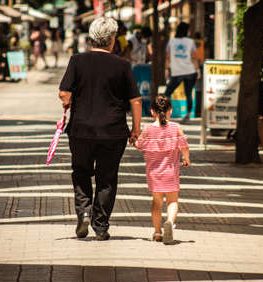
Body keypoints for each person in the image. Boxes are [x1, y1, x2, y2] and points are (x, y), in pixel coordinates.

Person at [58, 17, 142, 241]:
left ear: (91, 38)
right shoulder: (122, 65)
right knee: (107, 178)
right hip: (113, 131)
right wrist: (136, 129)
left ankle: (83, 211)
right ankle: (101, 225)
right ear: (112, 41)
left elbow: (64, 93)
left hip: (81, 130)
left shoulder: (77, 60)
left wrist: (69, 102)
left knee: (81, 172)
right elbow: (135, 100)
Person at [135, 95, 190, 244]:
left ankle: (157, 232)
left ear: (152, 111)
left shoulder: (148, 129)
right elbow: (184, 145)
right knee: (172, 201)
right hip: (171, 172)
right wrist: (186, 158)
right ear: (170, 110)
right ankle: (170, 223)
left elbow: (139, 145)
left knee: (156, 202)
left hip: (154, 174)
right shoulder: (176, 127)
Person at [164, 22, 200, 122]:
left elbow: (167, 57)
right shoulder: (190, 42)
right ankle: (188, 115)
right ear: (186, 31)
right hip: (190, 71)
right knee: (188, 93)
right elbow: (194, 57)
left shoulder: (171, 42)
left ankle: (162, 113)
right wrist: (198, 70)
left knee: (167, 93)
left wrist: (166, 69)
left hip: (177, 72)